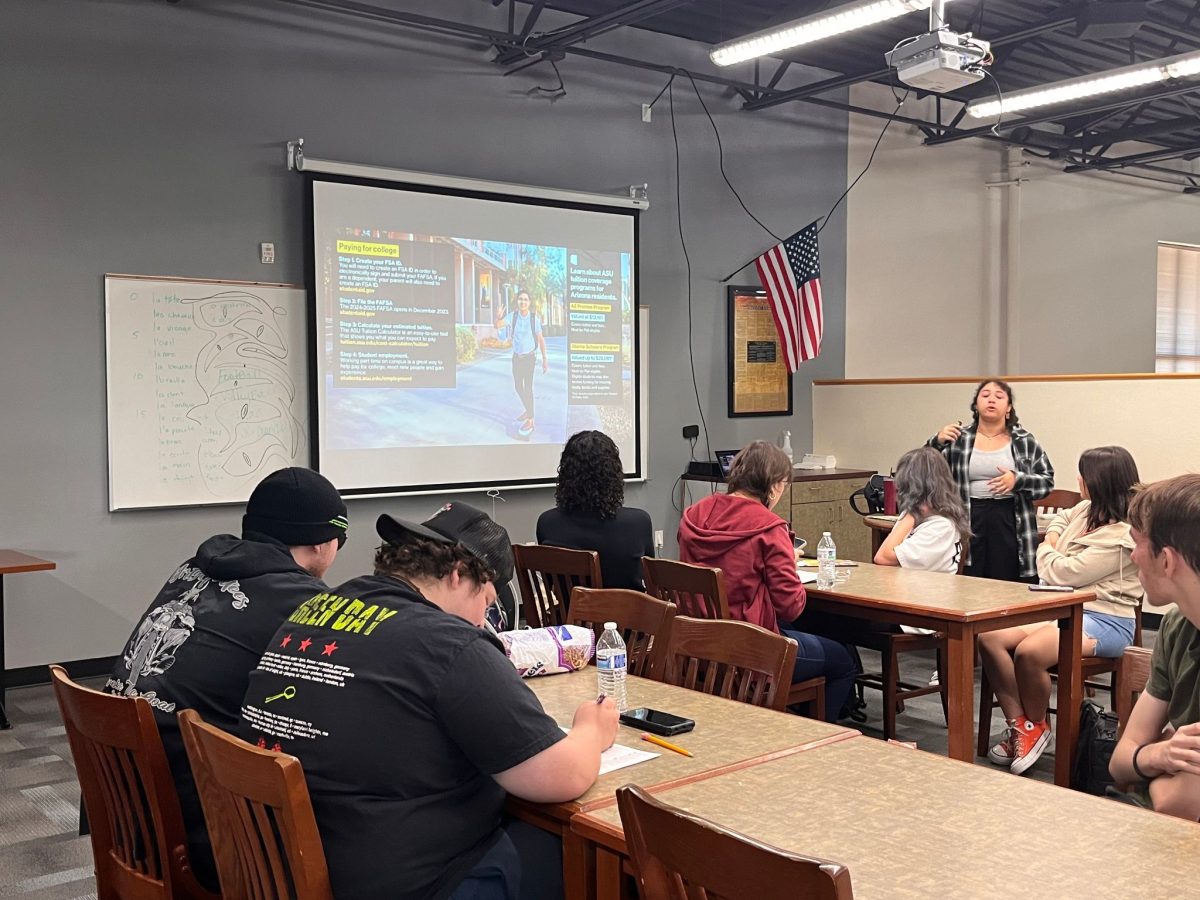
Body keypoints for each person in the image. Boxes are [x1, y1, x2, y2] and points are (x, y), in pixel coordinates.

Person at [239, 502, 619, 900]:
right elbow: (564, 775)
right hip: (403, 880)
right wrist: (591, 730)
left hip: (283, 866)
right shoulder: (447, 643)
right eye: (486, 604)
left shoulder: (314, 609)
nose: (480, 622)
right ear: (458, 576)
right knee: (588, 858)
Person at [104, 467, 348, 890]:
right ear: (324, 542)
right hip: (196, 817)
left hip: (123, 794)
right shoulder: (301, 601)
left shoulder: (192, 568)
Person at [979, 446, 1143, 775]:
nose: (1079, 480)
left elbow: (1060, 573)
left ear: (1100, 482)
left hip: (1107, 619)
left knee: (1030, 652)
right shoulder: (1087, 509)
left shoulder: (1124, 536)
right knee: (988, 637)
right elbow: (1062, 518)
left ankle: (1037, 725)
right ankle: (1024, 727)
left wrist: (1045, 548)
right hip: (1061, 609)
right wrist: (1053, 538)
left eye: (1084, 475)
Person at [677, 441, 858, 722]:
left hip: (695, 644)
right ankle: (817, 741)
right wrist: (788, 559)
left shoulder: (693, 516)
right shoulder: (769, 528)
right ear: (774, 486)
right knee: (843, 661)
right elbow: (791, 607)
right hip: (750, 650)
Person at [1110, 475, 1200, 820]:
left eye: (1137, 543)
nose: (1133, 556)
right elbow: (1120, 762)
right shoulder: (1178, 627)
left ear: (1166, 560)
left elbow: (1177, 803)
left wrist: (1150, 760)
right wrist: (1162, 755)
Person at [927, 379, 1054, 582]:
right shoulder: (959, 438)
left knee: (1007, 579)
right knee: (968, 577)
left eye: (999, 396)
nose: (991, 400)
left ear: (1009, 408)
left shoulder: (1024, 440)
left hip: (1009, 517)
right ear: (976, 405)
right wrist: (937, 441)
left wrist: (1017, 480)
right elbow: (923, 468)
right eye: (985, 395)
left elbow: (1047, 482)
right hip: (967, 515)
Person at [536, 430, 654, 590]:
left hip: (571, 614)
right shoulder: (638, 522)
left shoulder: (547, 523)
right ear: (614, 475)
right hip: (627, 614)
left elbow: (551, 582)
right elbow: (649, 577)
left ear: (565, 474)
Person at [873, 447, 969, 574]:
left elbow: (882, 558)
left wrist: (909, 517)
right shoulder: (917, 516)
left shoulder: (941, 526)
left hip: (930, 591)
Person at [495, 289, 548, 438]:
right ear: (518, 302)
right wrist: (497, 317)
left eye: (525, 299)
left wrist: (545, 359)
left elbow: (541, 340)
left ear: (529, 302)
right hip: (516, 358)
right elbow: (498, 326)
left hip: (529, 359)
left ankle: (530, 419)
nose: (523, 301)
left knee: (528, 388)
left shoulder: (533, 319)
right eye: (520, 299)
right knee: (518, 386)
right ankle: (528, 410)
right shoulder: (513, 316)